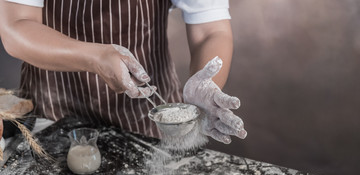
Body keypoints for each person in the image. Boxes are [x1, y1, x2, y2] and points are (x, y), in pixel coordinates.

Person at [0, 0, 247, 144]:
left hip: (149, 122)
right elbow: (17, 26)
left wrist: (205, 82)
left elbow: (211, 30)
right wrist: (95, 58)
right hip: (50, 114)